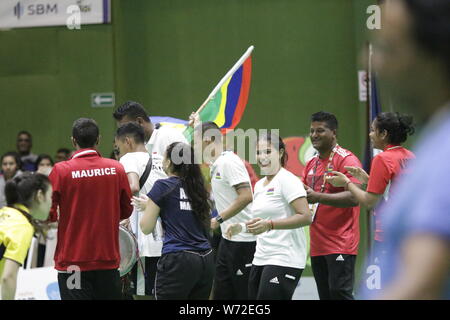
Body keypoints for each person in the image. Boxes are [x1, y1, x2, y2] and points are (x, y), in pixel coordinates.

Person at [359, 0, 450, 299]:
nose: (370, 61)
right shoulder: (426, 147)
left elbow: (422, 283)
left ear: (432, 56)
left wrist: (348, 183)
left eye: (388, 49)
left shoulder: (442, 154)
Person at [48, 118, 133, 300]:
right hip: (108, 263)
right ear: (98, 139)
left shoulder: (60, 171)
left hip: (73, 265)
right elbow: (126, 210)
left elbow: (49, 213)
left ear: (73, 140)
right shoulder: (116, 169)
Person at [226, 132, 312, 300]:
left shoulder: (288, 180)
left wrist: (271, 224)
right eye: (258, 152)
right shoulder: (258, 185)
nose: (262, 157)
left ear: (280, 153)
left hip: (285, 259)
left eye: (267, 151)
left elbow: (306, 216)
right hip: (260, 258)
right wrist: (241, 227)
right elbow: (260, 223)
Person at [132, 142, 214, 299]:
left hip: (178, 260)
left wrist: (151, 207)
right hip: (206, 259)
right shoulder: (198, 189)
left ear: (169, 162)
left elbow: (146, 227)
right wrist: (153, 205)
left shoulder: (162, 185)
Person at [326, 112, 415, 246]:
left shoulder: (382, 158)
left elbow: (369, 202)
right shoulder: (410, 156)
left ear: (383, 134)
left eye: (373, 130)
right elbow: (396, 188)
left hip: (388, 235)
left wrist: (347, 183)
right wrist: (369, 180)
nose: (370, 134)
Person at [302, 111, 362, 300]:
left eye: (320, 130)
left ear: (334, 133)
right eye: (312, 131)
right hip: (318, 243)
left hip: (341, 242)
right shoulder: (311, 163)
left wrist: (317, 196)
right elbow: (305, 194)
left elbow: (354, 197)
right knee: (326, 296)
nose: (314, 135)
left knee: (339, 293)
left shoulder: (346, 159)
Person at [193, 121, 256, 300]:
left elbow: (246, 196)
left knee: (244, 296)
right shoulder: (217, 164)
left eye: (196, 142)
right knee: (221, 294)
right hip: (227, 241)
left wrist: (217, 220)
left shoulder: (229, 162)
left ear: (208, 140)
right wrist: (197, 123)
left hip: (244, 241)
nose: (194, 147)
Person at [115, 122, 162, 299]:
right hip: (167, 242)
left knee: (142, 295)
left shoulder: (129, 159)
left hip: (145, 243)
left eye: (118, 147)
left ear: (127, 141)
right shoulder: (160, 160)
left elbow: (133, 186)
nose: (119, 153)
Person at [0, 172, 52, 300]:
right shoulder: (22, 226)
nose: (52, 203)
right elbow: (8, 277)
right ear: (40, 196)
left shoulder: (4, 213)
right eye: (51, 196)